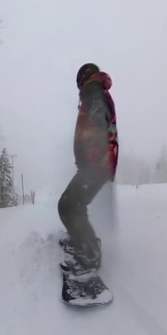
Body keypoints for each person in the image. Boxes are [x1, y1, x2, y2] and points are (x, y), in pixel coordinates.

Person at [59, 62, 117, 273]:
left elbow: (98, 124)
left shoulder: (92, 91)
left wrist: (91, 158)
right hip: (97, 164)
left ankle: (89, 255)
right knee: (75, 205)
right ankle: (85, 242)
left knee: (68, 206)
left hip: (95, 165)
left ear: (83, 79)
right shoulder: (96, 91)